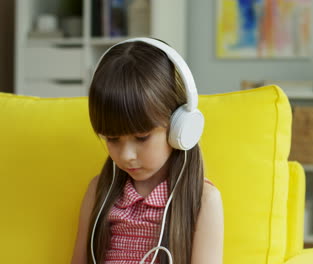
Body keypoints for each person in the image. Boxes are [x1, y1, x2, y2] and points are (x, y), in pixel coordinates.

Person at [71, 37, 224, 264]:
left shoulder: (202, 200)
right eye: (112, 139)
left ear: (179, 126)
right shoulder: (99, 191)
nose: (126, 155)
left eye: (142, 137)